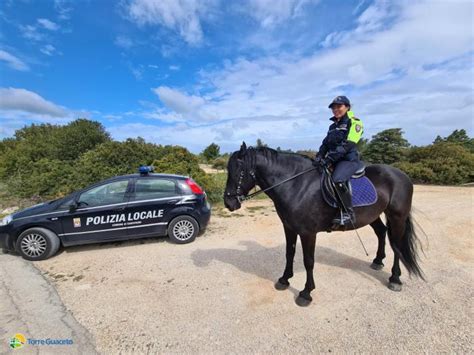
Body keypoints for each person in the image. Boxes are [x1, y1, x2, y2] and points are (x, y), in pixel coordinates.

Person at [314, 95, 364, 226]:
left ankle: (348, 213)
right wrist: (319, 155)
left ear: (347, 107)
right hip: (333, 160)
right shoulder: (332, 126)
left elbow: (349, 144)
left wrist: (329, 159)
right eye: (333, 108)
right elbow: (325, 144)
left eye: (339, 106)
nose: (336, 109)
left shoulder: (355, 122)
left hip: (348, 160)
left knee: (338, 180)